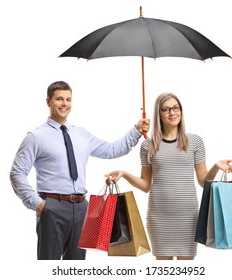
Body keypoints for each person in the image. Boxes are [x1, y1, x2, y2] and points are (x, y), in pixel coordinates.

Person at [10, 81, 150, 260]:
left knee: (76, 269)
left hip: (82, 208)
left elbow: (112, 150)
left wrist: (136, 131)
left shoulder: (81, 134)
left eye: (68, 99)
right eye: (59, 99)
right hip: (52, 207)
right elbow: (17, 173)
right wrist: (38, 205)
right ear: (48, 102)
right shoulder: (35, 137)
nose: (64, 104)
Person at [105, 92, 232, 260]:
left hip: (188, 215)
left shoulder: (194, 141)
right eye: (165, 109)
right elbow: (145, 185)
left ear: (181, 110)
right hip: (159, 215)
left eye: (175, 108)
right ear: (158, 114)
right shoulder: (147, 146)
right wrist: (124, 174)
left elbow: (204, 182)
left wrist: (216, 167)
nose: (172, 113)